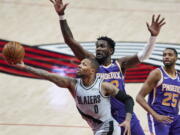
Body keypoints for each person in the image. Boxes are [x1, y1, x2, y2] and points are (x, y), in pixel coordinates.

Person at [49, 0, 166, 135]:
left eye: (102, 46)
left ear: (111, 51)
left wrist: (153, 37)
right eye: (97, 46)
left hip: (126, 114)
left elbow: (143, 56)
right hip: (106, 118)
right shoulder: (91, 63)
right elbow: (70, 41)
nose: (98, 48)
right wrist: (61, 16)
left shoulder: (120, 64)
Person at [10, 57, 134, 135]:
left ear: (92, 71)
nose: (79, 66)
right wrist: (24, 67)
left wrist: (127, 120)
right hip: (97, 129)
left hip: (109, 128)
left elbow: (128, 99)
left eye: (84, 64)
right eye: (80, 63)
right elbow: (47, 75)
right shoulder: (72, 84)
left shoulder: (104, 86)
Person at [136, 48, 180, 135]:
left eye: (170, 55)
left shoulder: (179, 77)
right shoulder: (157, 73)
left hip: (175, 118)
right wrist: (155, 115)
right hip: (159, 116)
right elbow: (139, 97)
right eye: (164, 55)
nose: (166, 57)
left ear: (176, 58)